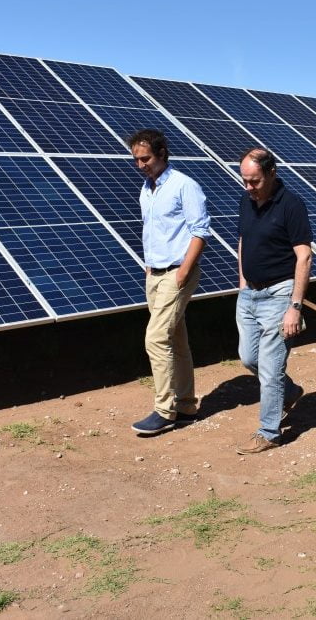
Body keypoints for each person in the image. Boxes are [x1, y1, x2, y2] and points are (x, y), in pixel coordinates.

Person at [128, 129, 210, 435]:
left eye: (145, 158)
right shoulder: (147, 189)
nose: (140, 165)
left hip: (177, 272)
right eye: (136, 159)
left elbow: (200, 231)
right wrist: (149, 268)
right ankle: (187, 405)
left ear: (162, 153)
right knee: (176, 339)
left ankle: (165, 410)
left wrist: (183, 271)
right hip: (155, 273)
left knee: (155, 338)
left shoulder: (184, 186)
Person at [235, 148, 312, 454]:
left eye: (254, 181)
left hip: (279, 295)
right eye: (245, 180)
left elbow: (304, 257)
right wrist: (242, 283)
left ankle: (269, 431)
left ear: (271, 173)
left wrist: (295, 306)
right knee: (248, 358)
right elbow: (243, 240)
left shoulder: (291, 205)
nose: (248, 187)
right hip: (249, 294)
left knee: (270, 368)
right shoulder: (246, 200)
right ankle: (289, 392)